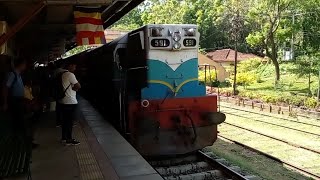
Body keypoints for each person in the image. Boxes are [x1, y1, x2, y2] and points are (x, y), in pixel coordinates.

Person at [1, 58, 28, 138]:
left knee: (20, 120)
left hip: (19, 100)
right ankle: (20, 139)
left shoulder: (18, 74)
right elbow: (5, 88)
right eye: (24, 64)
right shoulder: (12, 74)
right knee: (18, 120)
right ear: (21, 65)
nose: (25, 66)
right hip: (14, 101)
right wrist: (5, 103)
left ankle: (21, 138)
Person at [59, 61, 81, 145]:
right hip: (70, 101)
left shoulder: (61, 74)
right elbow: (78, 86)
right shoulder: (70, 75)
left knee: (65, 121)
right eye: (74, 66)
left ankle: (64, 138)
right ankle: (69, 139)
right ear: (70, 65)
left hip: (62, 100)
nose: (75, 68)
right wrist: (75, 88)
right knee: (69, 121)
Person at [52, 63, 65, 127]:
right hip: (61, 92)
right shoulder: (63, 71)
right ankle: (61, 121)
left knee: (58, 107)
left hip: (56, 92)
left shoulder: (54, 71)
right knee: (62, 107)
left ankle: (58, 121)